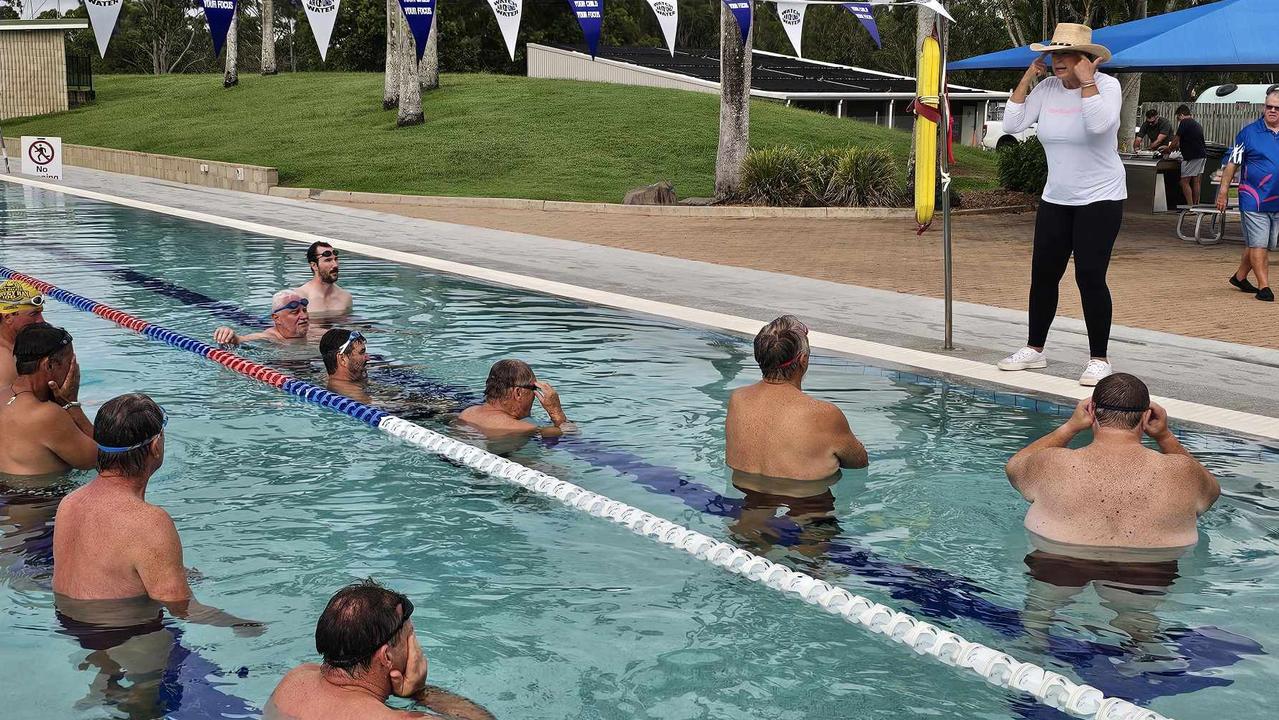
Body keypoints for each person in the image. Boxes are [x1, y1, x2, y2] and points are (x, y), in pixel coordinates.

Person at [52, 393, 262, 716]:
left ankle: (104, 683)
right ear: (155, 447)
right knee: (149, 704)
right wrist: (237, 622)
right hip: (130, 635)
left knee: (119, 676)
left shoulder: (71, 503)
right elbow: (180, 607)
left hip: (74, 626)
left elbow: (105, 568)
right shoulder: (150, 521)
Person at [998, 24, 1125, 386]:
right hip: (1056, 197)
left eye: (1065, 54)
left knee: (1089, 277)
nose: (1057, 60)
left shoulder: (1108, 87)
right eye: (1053, 54)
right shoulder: (1048, 88)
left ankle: (1099, 358)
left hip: (1101, 197)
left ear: (1087, 59)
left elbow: (1100, 126)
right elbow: (1012, 123)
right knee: (1043, 275)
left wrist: (1088, 84)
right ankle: (1034, 349)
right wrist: (1028, 78)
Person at [1005, 373, 1219, 549]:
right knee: (1135, 598)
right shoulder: (1183, 472)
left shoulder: (1052, 462)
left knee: (1046, 599)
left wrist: (1070, 426)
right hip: (1150, 569)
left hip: (1059, 561)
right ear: (1146, 417)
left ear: (1091, 411)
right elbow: (1211, 493)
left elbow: (1015, 466)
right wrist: (1165, 437)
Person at [265, 579, 493, 720]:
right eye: (410, 636)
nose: (416, 646)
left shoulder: (294, 680)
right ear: (386, 656)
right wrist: (420, 693)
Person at [725, 315, 867, 481]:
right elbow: (859, 462)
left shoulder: (738, 399)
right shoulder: (825, 414)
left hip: (747, 499)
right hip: (805, 501)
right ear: (803, 360)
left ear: (759, 357)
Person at [0, 323, 96, 476]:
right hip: (41, 499)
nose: (75, 369)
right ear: (49, 365)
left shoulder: (2, 396)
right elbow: (102, 460)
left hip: (9, 496)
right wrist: (71, 404)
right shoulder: (47, 415)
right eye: (71, 362)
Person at [1220, 85, 1279, 302]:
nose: (1272, 111)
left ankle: (1240, 276)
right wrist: (1223, 191)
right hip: (1253, 198)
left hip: (1276, 200)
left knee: (1261, 243)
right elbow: (1232, 163)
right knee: (1259, 244)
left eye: (1277, 108)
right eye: (1269, 107)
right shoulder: (1248, 133)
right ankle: (1265, 287)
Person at [458, 359, 574, 437]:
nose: (535, 394)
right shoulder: (523, 428)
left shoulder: (467, 414)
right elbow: (569, 435)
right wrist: (555, 411)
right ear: (518, 393)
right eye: (534, 388)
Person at [213, 290, 311, 346]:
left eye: (304, 310)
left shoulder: (314, 333)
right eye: (295, 312)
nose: (304, 316)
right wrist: (228, 334)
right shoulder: (269, 338)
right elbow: (239, 340)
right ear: (277, 318)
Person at [0, 279, 47, 385]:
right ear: (8, 317)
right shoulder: (4, 364)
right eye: (34, 314)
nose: (41, 320)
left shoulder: (22, 346)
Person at [1162, 104, 1207, 209]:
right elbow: (1182, 142)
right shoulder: (1196, 124)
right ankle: (1196, 206)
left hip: (1192, 156)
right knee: (1196, 181)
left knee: (1184, 181)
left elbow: (1176, 141)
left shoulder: (1184, 123)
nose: (1178, 120)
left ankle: (1190, 206)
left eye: (1178, 117)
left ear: (1181, 115)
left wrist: (1168, 149)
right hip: (1202, 155)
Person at [295, 242, 353, 317]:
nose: (335, 265)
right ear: (314, 265)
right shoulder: (299, 297)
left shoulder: (345, 297)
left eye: (336, 259)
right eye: (328, 260)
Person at [320, 328, 370, 403]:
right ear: (343, 359)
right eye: (361, 352)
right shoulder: (358, 397)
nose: (368, 358)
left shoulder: (326, 379)